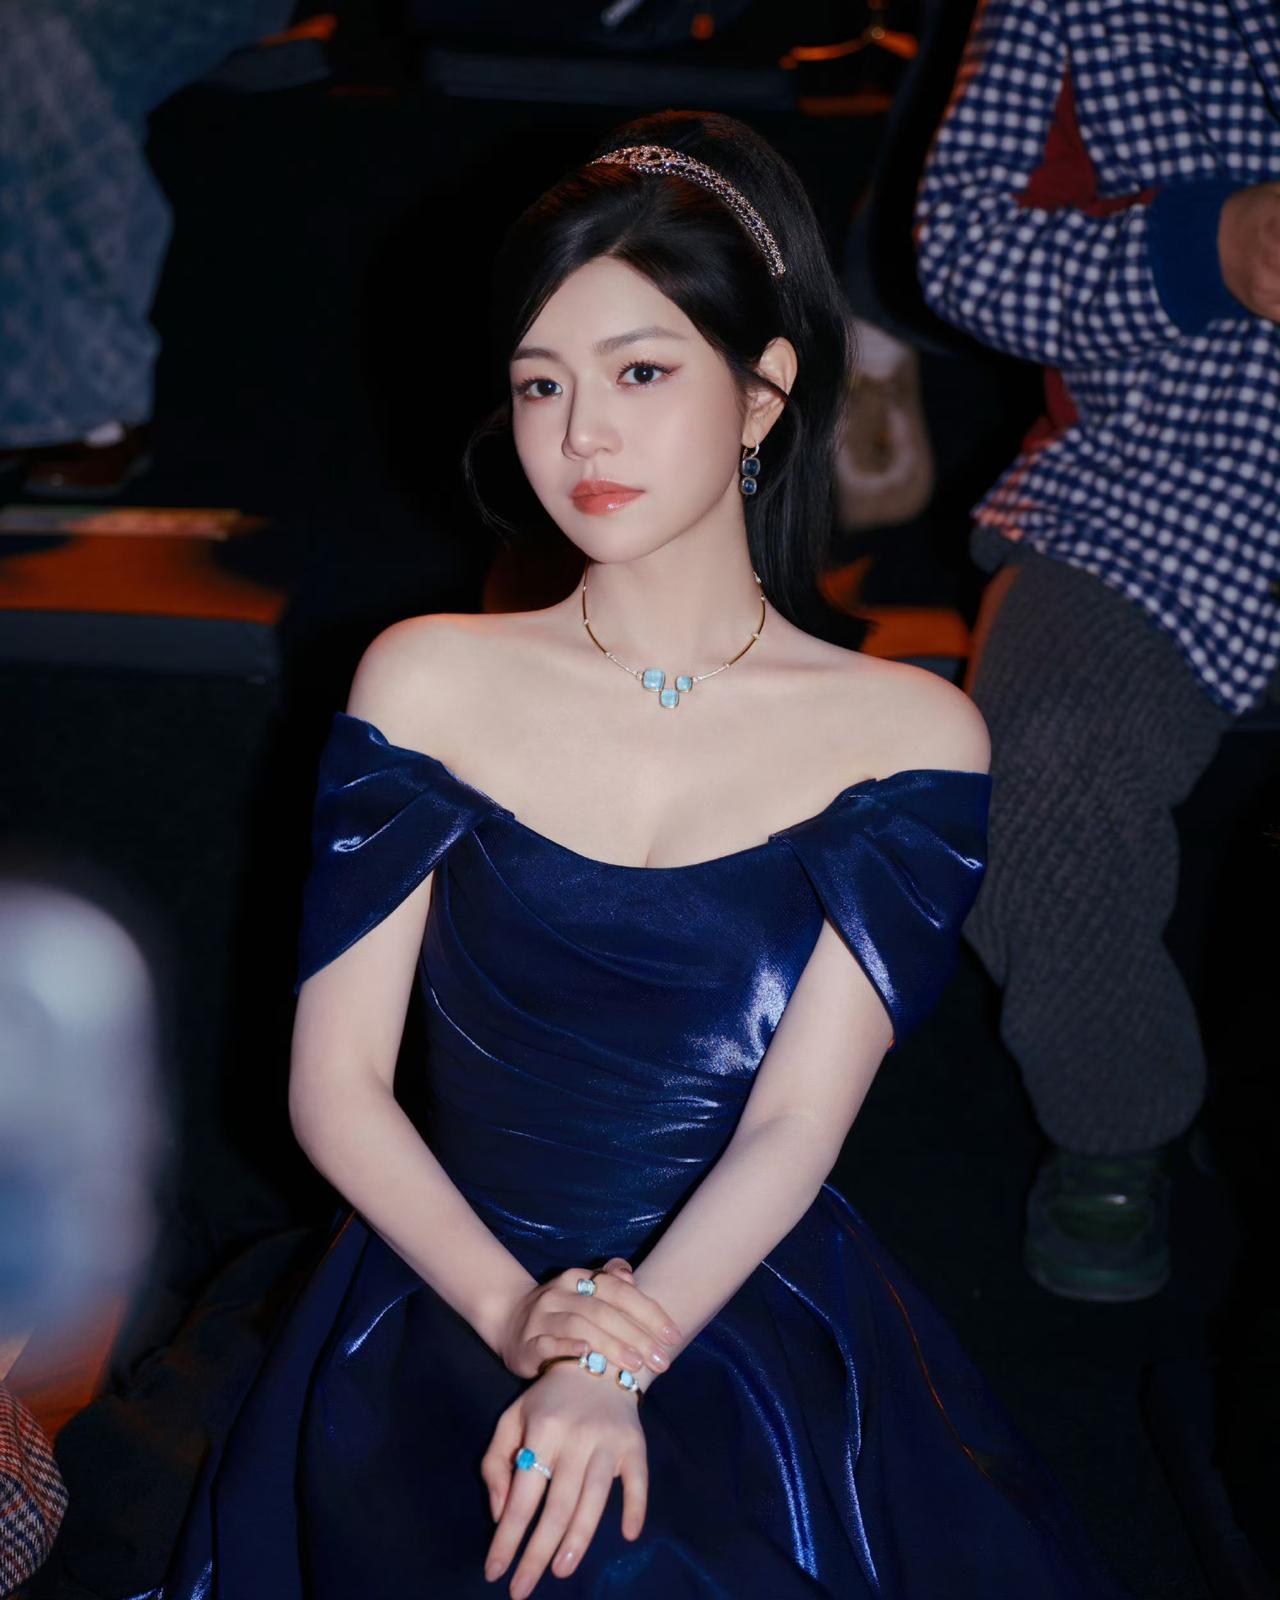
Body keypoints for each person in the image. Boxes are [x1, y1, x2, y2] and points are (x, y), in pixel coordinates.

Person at [141, 110, 1132, 1598]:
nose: (580, 435)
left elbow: (796, 1124)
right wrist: (522, 1323)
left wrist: (619, 1358)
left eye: (641, 372)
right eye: (541, 382)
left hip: (730, 1285)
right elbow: (333, 1084)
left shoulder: (912, 733)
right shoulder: (426, 678)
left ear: (764, 394)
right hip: (446, 1277)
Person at [914, 0, 1280, 1302]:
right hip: (1147, 487)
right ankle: (1116, 1124)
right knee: (1039, 768)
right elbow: (959, 252)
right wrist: (1206, 245)